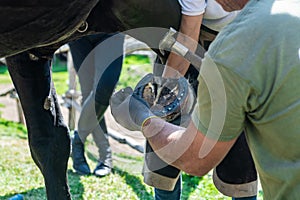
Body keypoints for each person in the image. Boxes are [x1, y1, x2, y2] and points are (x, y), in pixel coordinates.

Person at [110, 0, 300, 199]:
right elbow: (188, 38)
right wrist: (165, 91)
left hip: (230, 52)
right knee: (166, 162)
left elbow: (194, 159)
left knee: (240, 160)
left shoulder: (239, 52)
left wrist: (143, 115)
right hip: (197, 51)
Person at [154, 0, 257, 199]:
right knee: (165, 126)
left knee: (243, 153)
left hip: (243, 50)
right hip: (192, 49)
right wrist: (165, 90)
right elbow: (187, 38)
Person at [68, 33, 124, 177]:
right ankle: (105, 156)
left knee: (104, 88)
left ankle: (78, 139)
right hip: (79, 31)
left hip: (110, 27)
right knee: (88, 95)